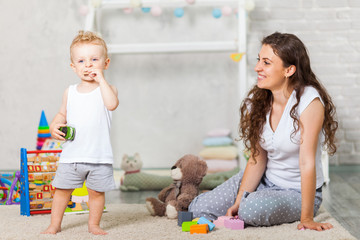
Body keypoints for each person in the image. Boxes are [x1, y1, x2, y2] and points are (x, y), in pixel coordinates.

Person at [189, 32, 338, 231]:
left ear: (289, 70)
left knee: (250, 210)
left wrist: (307, 217)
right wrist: (238, 199)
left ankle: (253, 203)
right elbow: (257, 158)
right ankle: (208, 199)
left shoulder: (309, 102)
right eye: (259, 60)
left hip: (295, 191)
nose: (257, 67)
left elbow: (307, 162)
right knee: (198, 208)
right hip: (265, 180)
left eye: (266, 62)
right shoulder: (257, 102)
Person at [42, 30, 119, 235]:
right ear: (73, 67)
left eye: (94, 59)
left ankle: (93, 224)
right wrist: (54, 125)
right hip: (72, 156)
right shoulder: (70, 92)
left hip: (98, 156)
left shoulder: (108, 89)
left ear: (106, 63)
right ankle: (54, 225)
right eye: (82, 61)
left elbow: (111, 105)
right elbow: (61, 114)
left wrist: (101, 80)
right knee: (61, 191)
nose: (88, 65)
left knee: (95, 192)